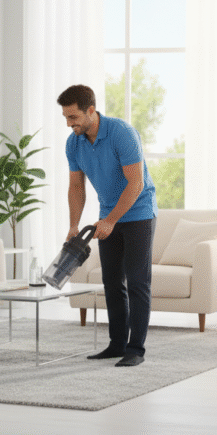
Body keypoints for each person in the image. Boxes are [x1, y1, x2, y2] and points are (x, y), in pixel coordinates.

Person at [58, 84, 157, 367]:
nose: (69, 123)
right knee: (112, 282)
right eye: (66, 118)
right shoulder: (73, 143)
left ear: (91, 110)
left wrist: (111, 220)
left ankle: (135, 349)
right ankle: (116, 344)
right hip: (107, 217)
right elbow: (76, 186)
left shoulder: (121, 133)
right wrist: (73, 225)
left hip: (138, 213)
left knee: (137, 281)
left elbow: (135, 183)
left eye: (74, 117)